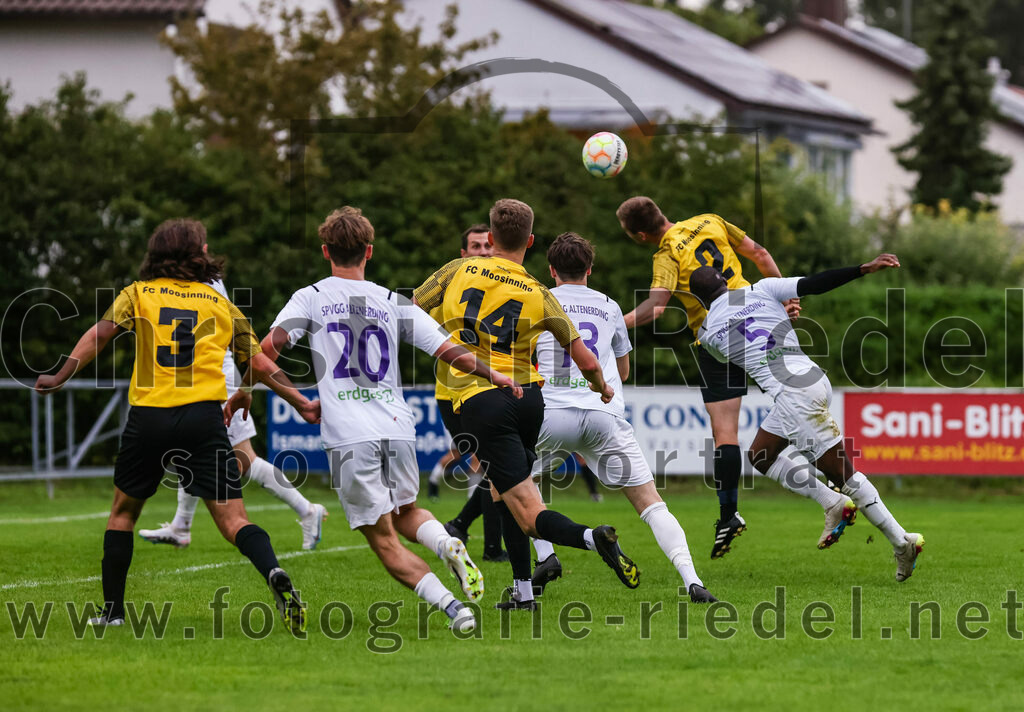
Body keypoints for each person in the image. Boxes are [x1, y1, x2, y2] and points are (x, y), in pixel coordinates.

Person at [232, 207, 523, 633]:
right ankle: (446, 542)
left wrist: (268, 394)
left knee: (384, 539)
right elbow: (447, 349)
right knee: (407, 511)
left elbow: (265, 352)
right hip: (397, 427)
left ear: (325, 250)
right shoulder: (391, 300)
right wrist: (494, 374)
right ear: (369, 251)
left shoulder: (311, 296)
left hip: (349, 435)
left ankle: (454, 609)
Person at [34, 219, 314, 632]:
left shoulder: (138, 293)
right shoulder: (219, 302)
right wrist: (302, 402)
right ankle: (273, 570)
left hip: (149, 417)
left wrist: (60, 374)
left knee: (123, 514)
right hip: (203, 419)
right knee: (235, 521)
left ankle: (112, 612)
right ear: (195, 255)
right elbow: (259, 363)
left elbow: (99, 335)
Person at [414, 198, 640, 612]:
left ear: (490, 237)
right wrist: (603, 388)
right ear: (531, 241)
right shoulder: (540, 292)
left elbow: (411, 310)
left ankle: (593, 538)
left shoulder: (456, 269)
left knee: (526, 508)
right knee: (503, 492)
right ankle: (522, 592)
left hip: (480, 398)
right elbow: (587, 360)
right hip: (529, 400)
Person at [690, 255, 924, 581]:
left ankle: (902, 543)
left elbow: (733, 354)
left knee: (845, 475)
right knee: (761, 454)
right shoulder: (761, 289)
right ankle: (832, 502)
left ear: (699, 301)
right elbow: (814, 283)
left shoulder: (708, 333)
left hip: (793, 396)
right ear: (726, 282)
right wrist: (862, 269)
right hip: (813, 380)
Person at [530, 232, 716, 603]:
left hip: (552, 412)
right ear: (590, 269)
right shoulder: (609, 306)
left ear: (551, 270)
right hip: (604, 414)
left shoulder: (538, 300)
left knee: (515, 486)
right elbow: (624, 371)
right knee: (651, 503)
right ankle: (692, 581)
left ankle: (546, 556)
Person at [616, 197, 798, 559]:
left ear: (640, 235)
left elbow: (656, 307)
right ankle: (841, 483)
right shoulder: (711, 220)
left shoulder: (666, 254)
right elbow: (760, 254)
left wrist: (614, 323)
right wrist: (784, 296)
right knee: (800, 399)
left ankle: (729, 514)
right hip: (759, 316)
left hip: (717, 338)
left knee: (725, 433)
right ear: (661, 212)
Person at [139, 277, 328, 551]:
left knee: (243, 460)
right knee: (188, 451)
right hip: (197, 374)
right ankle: (181, 525)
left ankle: (307, 510)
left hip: (214, 375)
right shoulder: (191, 275)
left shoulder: (203, 278)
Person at [428, 224, 508, 562]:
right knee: (495, 467)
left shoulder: (504, 287)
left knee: (494, 467)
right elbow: (423, 328)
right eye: (476, 246)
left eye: (488, 245)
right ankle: (484, 543)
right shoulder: (448, 290)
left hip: (488, 387)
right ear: (463, 254)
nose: (484, 251)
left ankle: (463, 527)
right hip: (454, 393)